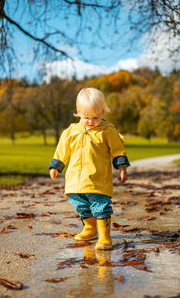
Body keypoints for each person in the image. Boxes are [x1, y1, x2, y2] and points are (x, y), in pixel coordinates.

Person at [49, 87, 130, 250]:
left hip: (97, 180)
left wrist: (122, 169)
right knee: (79, 204)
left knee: (100, 207)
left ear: (102, 112)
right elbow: (62, 151)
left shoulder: (107, 131)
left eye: (96, 117)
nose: (91, 121)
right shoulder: (71, 131)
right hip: (75, 182)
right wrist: (56, 167)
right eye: (86, 117)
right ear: (78, 112)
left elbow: (118, 151)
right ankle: (90, 228)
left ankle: (105, 237)